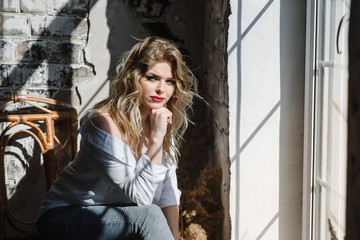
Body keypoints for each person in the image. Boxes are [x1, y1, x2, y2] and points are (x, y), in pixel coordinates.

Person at [36, 36, 198, 240]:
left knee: (153, 218)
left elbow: (168, 192)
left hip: (122, 217)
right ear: (133, 78)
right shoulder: (103, 124)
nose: (161, 89)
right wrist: (156, 138)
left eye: (169, 81)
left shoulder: (159, 122)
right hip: (65, 216)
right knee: (149, 216)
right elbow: (142, 199)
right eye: (151, 78)